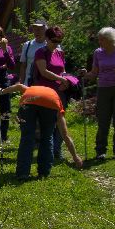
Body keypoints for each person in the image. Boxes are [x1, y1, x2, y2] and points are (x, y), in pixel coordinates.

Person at [0, 83, 84, 179]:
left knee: (27, 137)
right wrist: (75, 157)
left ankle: (22, 173)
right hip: (51, 104)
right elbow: (65, 135)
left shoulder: (30, 89)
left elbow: (18, 86)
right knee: (47, 137)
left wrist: (1, 91)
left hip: (28, 101)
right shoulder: (57, 105)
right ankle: (44, 173)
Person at [83, 27, 115, 159]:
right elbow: (94, 73)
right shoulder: (98, 53)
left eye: (102, 40)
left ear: (111, 40)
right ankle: (101, 151)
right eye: (99, 39)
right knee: (103, 119)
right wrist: (85, 75)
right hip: (104, 88)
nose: (100, 42)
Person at [32, 26, 71, 160]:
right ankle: (45, 151)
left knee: (60, 121)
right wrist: (60, 78)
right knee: (46, 123)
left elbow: (63, 70)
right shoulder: (40, 52)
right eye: (54, 41)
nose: (56, 44)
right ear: (47, 39)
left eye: (59, 41)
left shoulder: (60, 53)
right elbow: (43, 72)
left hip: (59, 91)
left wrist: (66, 81)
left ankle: (57, 150)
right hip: (45, 92)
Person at [19, 20, 47, 86]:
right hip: (29, 83)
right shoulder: (27, 45)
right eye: (35, 29)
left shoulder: (50, 45)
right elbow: (23, 66)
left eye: (40, 29)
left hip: (46, 83)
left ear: (45, 30)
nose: (37, 31)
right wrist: (21, 83)